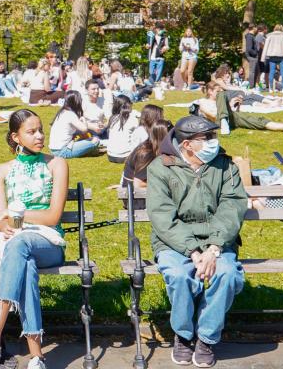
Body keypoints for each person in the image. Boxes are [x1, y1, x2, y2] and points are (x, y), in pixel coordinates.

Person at [146, 115, 247, 368]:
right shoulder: (161, 168)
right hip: (174, 242)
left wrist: (213, 248)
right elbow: (162, 217)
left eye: (213, 136)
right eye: (207, 138)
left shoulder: (226, 166)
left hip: (217, 241)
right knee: (179, 275)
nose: (214, 142)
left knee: (226, 274)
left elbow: (232, 207)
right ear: (188, 144)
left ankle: (206, 338)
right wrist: (192, 251)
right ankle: (183, 335)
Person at [0, 110, 68, 369]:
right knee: (24, 263)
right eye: (31, 131)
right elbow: (0, 219)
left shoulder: (56, 164)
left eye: (41, 130)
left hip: (48, 241)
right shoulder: (1, 171)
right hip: (18, 242)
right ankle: (37, 356)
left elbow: (52, 216)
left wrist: (17, 216)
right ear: (15, 136)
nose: (39, 136)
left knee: (19, 245)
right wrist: (6, 224)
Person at [121, 118, 172, 209]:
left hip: (141, 194)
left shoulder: (153, 147)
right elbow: (139, 184)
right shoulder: (146, 154)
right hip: (136, 198)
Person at [47, 91, 102, 158]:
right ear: (75, 102)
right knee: (96, 140)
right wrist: (84, 119)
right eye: (80, 99)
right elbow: (84, 129)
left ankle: (91, 150)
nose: (81, 101)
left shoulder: (62, 112)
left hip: (54, 150)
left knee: (83, 137)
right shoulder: (70, 114)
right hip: (62, 151)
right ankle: (92, 151)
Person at [105, 95, 145, 163]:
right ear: (129, 105)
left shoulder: (112, 118)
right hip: (125, 156)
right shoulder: (132, 119)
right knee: (142, 131)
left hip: (111, 156)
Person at [260, 24, 283, 92]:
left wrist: (263, 58)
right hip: (282, 56)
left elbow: (265, 47)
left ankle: (270, 89)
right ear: (282, 29)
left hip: (272, 56)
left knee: (271, 72)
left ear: (274, 28)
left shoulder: (269, 36)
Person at [243, 24, 260, 88]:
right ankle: (251, 87)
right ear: (253, 28)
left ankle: (253, 86)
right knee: (252, 71)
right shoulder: (250, 36)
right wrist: (255, 53)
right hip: (252, 56)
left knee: (256, 71)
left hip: (253, 56)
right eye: (256, 27)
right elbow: (249, 49)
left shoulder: (251, 36)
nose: (257, 29)